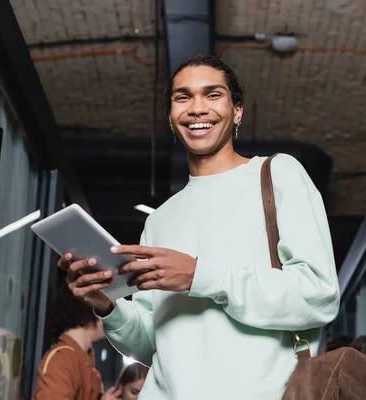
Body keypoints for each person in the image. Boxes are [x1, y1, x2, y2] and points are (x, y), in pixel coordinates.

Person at [59, 54, 340, 399]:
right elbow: (151, 342)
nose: (196, 108)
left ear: (237, 110)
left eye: (212, 94)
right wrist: (107, 305)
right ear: (171, 117)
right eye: (183, 97)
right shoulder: (159, 220)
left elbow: (318, 296)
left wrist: (199, 276)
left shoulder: (278, 174)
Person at [33, 284, 121, 400]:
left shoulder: (83, 360)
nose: (111, 317)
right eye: (108, 310)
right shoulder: (62, 359)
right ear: (94, 309)